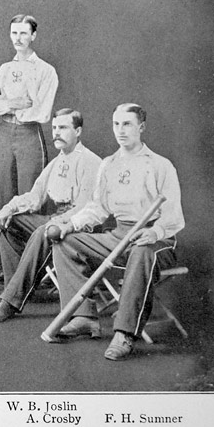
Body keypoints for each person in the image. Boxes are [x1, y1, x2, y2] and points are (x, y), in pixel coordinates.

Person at [50, 104, 184, 361]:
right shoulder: (109, 164)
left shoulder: (160, 165)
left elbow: (173, 217)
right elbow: (98, 209)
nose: (120, 130)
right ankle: (83, 317)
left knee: (142, 252)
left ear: (141, 128)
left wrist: (154, 233)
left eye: (128, 124)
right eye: (116, 124)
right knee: (65, 242)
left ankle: (124, 333)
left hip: (155, 239)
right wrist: (71, 225)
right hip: (119, 235)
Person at [0, 108, 101, 323]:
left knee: (41, 232)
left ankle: (12, 300)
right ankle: (15, 285)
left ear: (78, 131)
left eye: (63, 128)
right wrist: (9, 208)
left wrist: (60, 221)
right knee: (8, 223)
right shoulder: (57, 162)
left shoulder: (91, 161)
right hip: (57, 218)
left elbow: (85, 207)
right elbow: (35, 196)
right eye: (54, 128)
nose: (56, 133)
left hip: (80, 225)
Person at [0, 14, 58, 213]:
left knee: (30, 196)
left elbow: (41, 113)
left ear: (33, 35)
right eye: (14, 33)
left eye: (23, 33)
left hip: (29, 135)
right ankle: (7, 245)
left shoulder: (46, 71)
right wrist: (14, 103)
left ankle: (30, 245)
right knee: (3, 197)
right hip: (4, 134)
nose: (18, 38)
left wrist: (4, 104)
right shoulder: (5, 69)